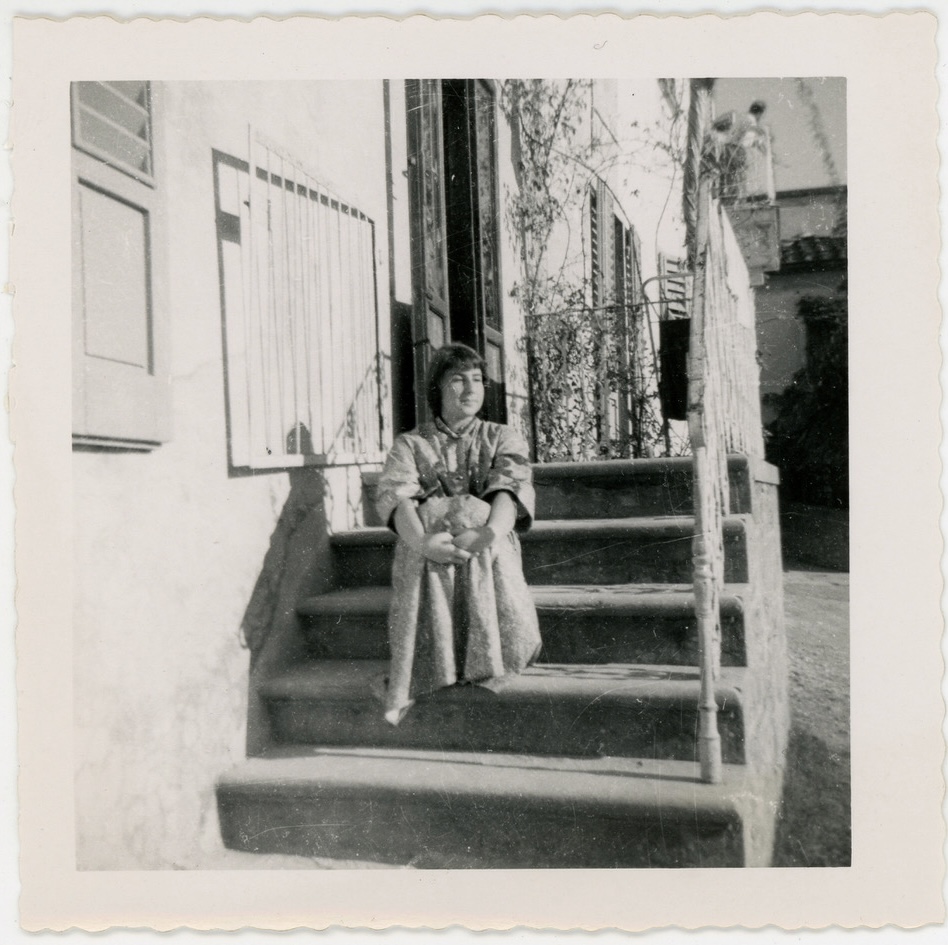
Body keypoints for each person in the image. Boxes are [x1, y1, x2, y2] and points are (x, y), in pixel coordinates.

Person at [374, 343, 542, 724]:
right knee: (425, 523)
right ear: (437, 389)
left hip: (487, 546)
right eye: (457, 380)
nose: (470, 389)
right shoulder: (410, 444)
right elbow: (397, 497)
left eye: (477, 380)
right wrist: (423, 543)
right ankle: (440, 664)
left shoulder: (501, 436)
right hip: (429, 549)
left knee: (479, 511)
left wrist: (486, 533)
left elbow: (508, 490)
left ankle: (488, 657)